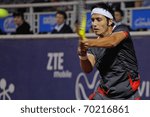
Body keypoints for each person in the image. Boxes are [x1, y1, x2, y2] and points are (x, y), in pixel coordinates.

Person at [77, 3, 140, 100]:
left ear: (110, 21)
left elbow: (113, 41)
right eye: (93, 20)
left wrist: (88, 42)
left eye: (99, 19)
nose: (94, 24)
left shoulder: (122, 30)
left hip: (129, 96)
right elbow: (87, 69)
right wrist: (83, 55)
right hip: (104, 94)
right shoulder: (94, 45)